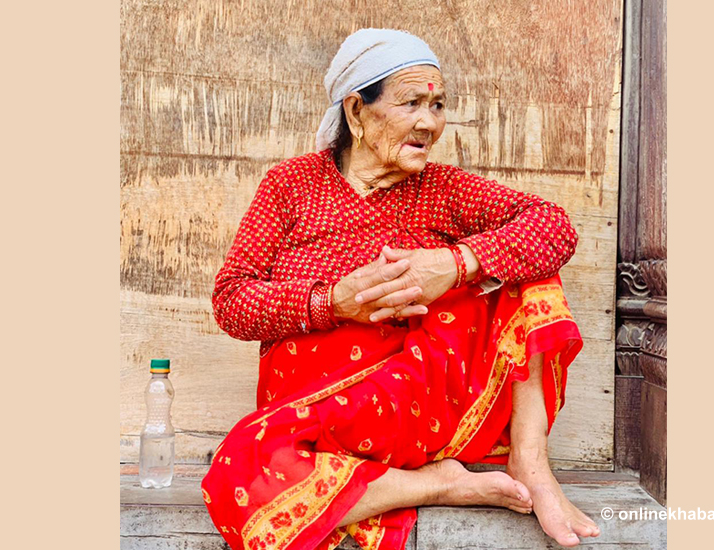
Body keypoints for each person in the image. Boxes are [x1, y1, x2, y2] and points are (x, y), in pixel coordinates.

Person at [201, 28, 600, 550]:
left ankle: (531, 461)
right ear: (355, 111)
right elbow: (232, 300)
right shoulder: (290, 186)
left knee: (527, 265)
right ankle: (435, 484)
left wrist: (455, 264)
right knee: (239, 469)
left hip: (415, 395)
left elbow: (553, 226)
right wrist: (330, 302)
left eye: (437, 105)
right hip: (321, 411)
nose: (429, 122)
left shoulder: (441, 188)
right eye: (411, 102)